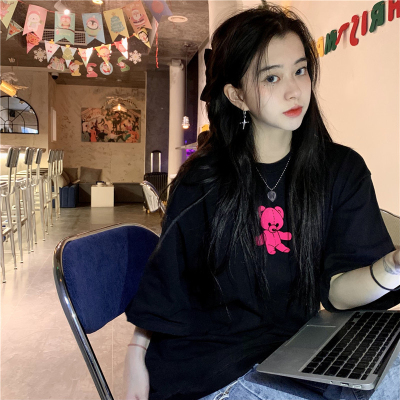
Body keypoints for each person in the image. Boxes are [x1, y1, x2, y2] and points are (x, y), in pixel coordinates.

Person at [124, 4, 400, 400]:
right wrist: (137, 352)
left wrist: (393, 267)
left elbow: (337, 291)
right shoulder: (202, 182)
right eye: (272, 77)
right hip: (213, 365)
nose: (294, 90)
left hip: (295, 349)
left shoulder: (339, 170)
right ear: (237, 96)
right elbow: (168, 281)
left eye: (300, 71)